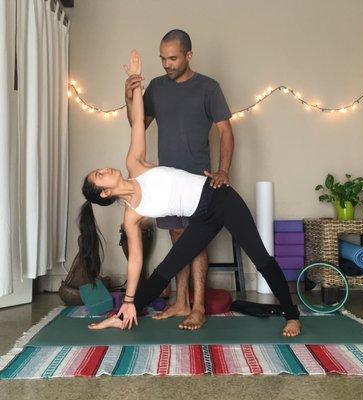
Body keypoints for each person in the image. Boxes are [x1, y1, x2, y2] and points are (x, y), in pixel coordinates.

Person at [82, 51, 301, 337]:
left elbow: (138, 123)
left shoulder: (135, 165)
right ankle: (120, 317)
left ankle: (292, 316)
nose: (105, 168)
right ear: (106, 191)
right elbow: (134, 261)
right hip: (201, 217)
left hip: (220, 197)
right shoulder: (131, 216)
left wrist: (133, 83)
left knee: (260, 257)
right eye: (100, 175)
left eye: (99, 169)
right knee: (165, 268)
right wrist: (129, 300)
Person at [125, 29, 234, 330]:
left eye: (172, 58)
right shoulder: (158, 88)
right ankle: (180, 301)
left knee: (195, 242)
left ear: (188, 55)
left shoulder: (209, 88)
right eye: (162, 59)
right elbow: (137, 126)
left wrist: (223, 170)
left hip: (198, 181)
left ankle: (197, 306)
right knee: (177, 239)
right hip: (165, 182)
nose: (167, 64)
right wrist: (128, 95)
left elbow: (226, 131)